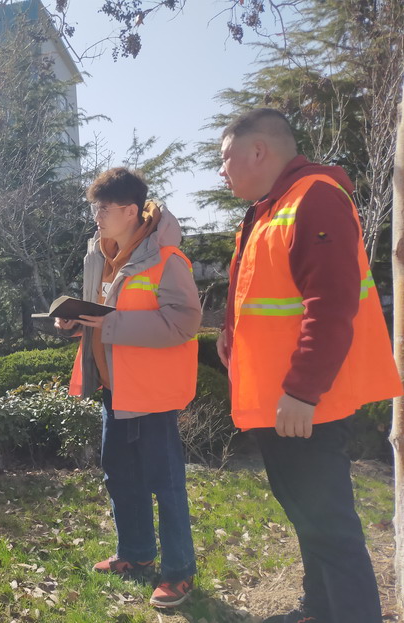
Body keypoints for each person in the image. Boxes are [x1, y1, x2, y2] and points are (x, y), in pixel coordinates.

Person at [216, 107, 402, 623]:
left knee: (330, 528)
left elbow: (332, 303)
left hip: (304, 404)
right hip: (282, 401)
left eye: (226, 158)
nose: (222, 171)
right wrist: (229, 335)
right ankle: (318, 609)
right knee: (309, 518)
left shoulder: (314, 198)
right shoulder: (272, 207)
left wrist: (302, 391)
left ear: (259, 151)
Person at [59, 167, 201, 608]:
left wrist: (111, 324)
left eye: (103, 208)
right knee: (120, 476)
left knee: (166, 484)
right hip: (113, 389)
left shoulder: (167, 259)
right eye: (94, 208)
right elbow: (100, 316)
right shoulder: (99, 255)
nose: (96, 216)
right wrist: (74, 322)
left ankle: (178, 572)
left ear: (131, 211)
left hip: (151, 394)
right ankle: (136, 555)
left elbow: (184, 323)